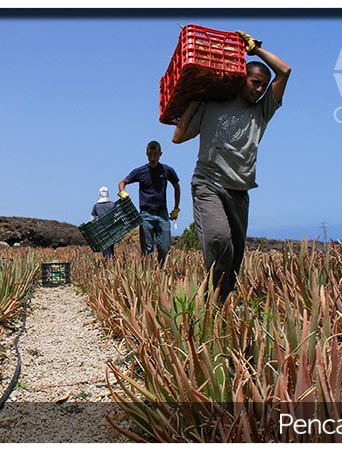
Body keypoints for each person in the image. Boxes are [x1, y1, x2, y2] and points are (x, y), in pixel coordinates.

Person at [171, 30, 291, 301]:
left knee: (234, 258)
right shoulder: (213, 105)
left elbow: (285, 71)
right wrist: (196, 102)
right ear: (242, 79)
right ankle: (212, 299)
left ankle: (220, 304)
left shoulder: (261, 111)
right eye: (255, 82)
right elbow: (177, 137)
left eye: (263, 85)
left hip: (239, 190)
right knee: (218, 240)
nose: (259, 89)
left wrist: (256, 49)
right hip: (208, 183)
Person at [118, 140, 181, 265]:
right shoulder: (140, 171)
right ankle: (149, 276)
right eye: (150, 155)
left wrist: (176, 208)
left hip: (162, 214)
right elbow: (122, 182)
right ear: (146, 154)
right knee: (147, 250)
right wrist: (122, 192)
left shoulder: (167, 170)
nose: (152, 158)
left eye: (155, 154)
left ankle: (162, 273)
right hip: (145, 214)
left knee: (164, 248)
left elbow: (176, 187)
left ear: (160, 154)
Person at [90, 186, 116, 259]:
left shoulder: (96, 206)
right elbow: (116, 216)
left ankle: (108, 261)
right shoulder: (112, 204)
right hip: (112, 229)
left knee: (105, 247)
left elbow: (92, 219)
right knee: (111, 247)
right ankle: (112, 261)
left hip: (102, 230)